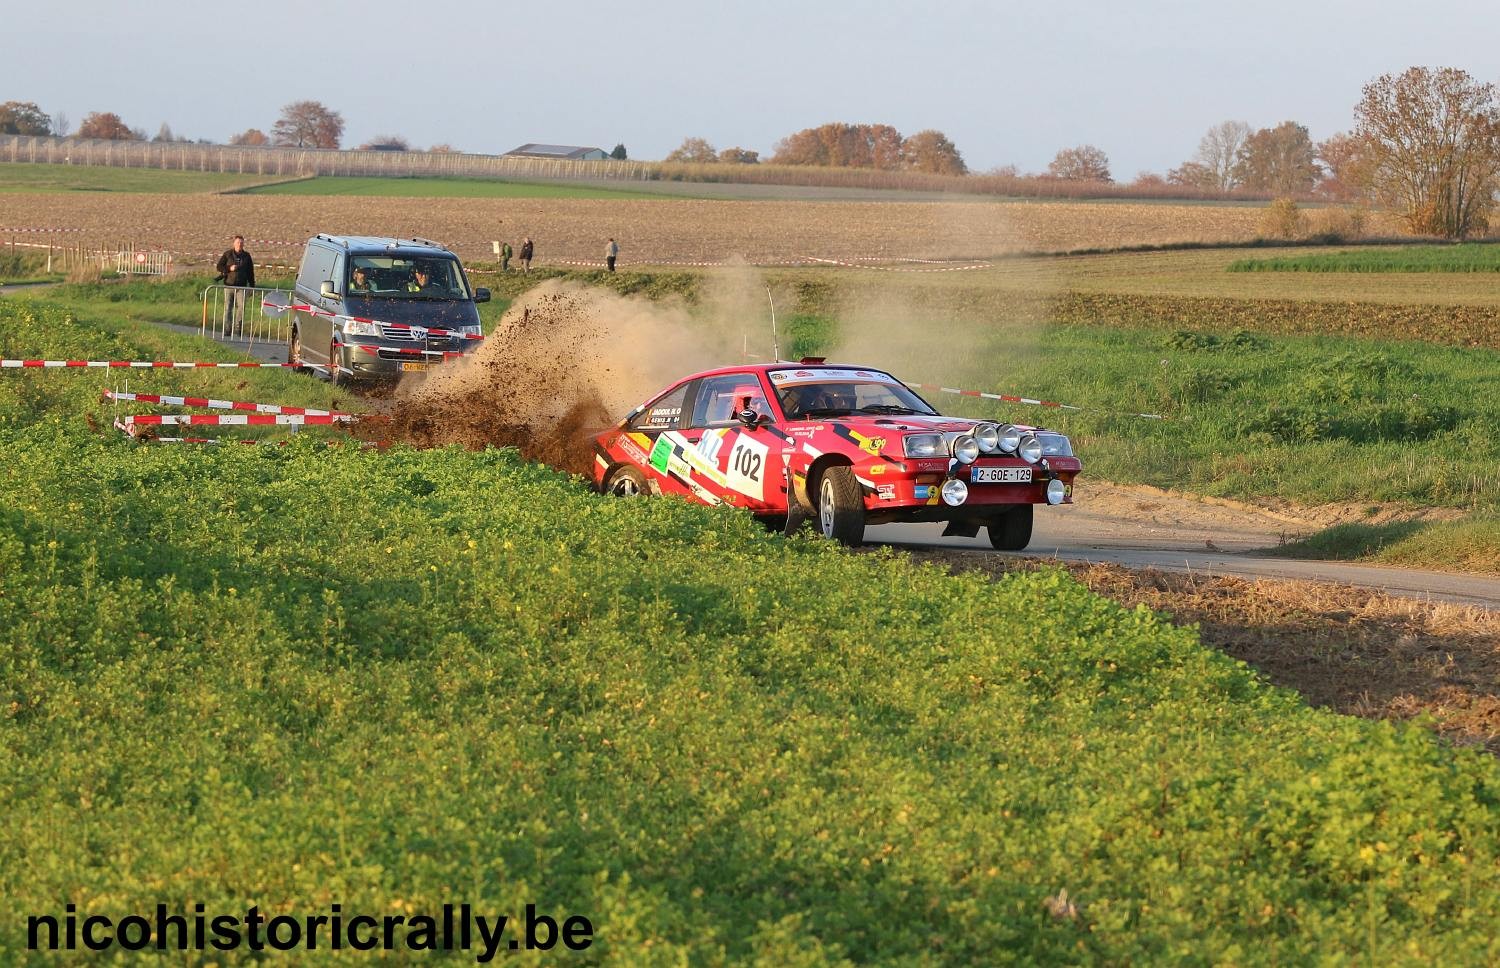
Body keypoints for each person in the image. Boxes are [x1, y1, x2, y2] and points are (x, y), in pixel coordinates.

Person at [214, 235, 255, 330]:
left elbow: (250, 272)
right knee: (228, 308)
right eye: (238, 242)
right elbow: (219, 266)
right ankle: (227, 329)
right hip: (229, 285)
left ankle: (238, 328)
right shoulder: (227, 254)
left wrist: (252, 286)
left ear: (243, 244)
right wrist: (229, 268)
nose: (239, 244)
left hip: (241, 287)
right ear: (234, 243)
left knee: (241, 307)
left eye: (241, 243)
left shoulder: (247, 256)